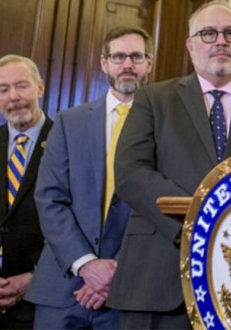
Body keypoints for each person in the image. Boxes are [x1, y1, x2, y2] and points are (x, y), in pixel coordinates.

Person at [106, 0, 231, 328]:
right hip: (158, 277)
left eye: (230, 33)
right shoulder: (154, 99)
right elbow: (130, 172)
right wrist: (197, 221)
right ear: (190, 45)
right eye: (208, 33)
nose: (220, 41)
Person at [26, 27, 153, 328]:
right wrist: (87, 265)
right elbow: (49, 198)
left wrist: (114, 272)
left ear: (150, 62)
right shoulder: (70, 122)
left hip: (130, 292)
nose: (127, 65)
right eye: (118, 56)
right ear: (104, 62)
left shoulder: (165, 126)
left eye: (136, 56)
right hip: (63, 288)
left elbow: (160, 207)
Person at [0, 55, 52, 329]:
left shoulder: (68, 141)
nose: (13, 97)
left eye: (22, 86)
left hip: (43, 303)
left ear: (40, 88)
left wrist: (36, 276)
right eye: (3, 90)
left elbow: (81, 221)